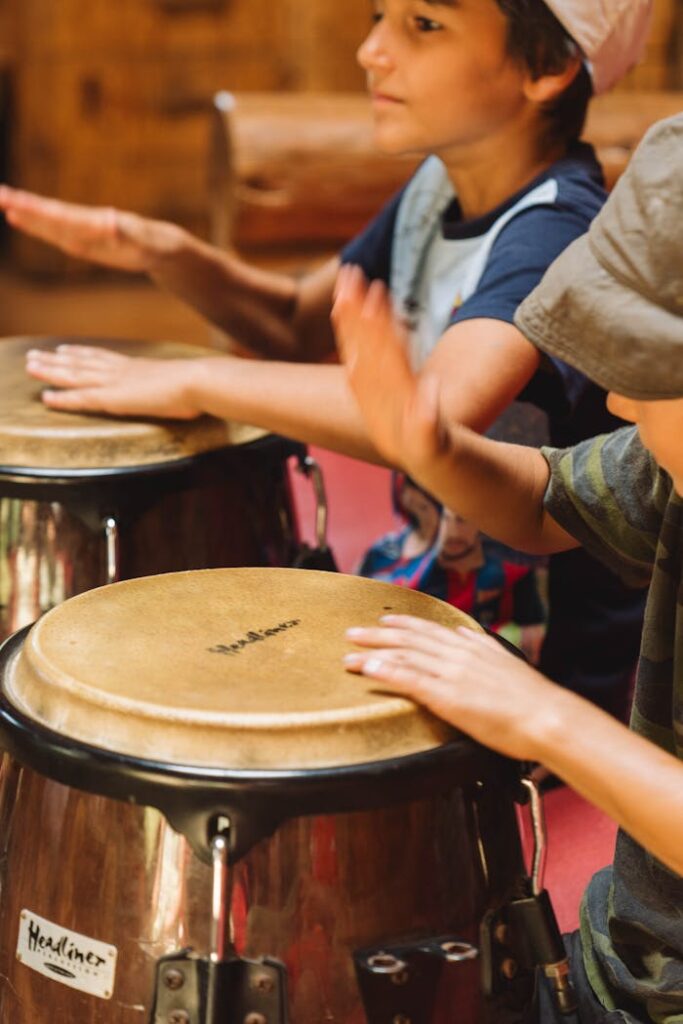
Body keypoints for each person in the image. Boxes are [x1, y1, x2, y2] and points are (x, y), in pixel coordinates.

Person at [8, 0, 650, 714]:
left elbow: (428, 416)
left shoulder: (551, 231)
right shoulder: (441, 185)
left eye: (423, 25)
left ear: (550, 66)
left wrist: (196, 378)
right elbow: (291, 321)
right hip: (423, 592)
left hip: (528, 665)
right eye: (379, 15)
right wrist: (160, 251)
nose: (371, 50)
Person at [335, 114, 683, 1024]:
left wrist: (542, 716)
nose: (611, 396)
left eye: (645, 369)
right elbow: (539, 501)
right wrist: (432, 443)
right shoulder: (670, 468)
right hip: (627, 964)